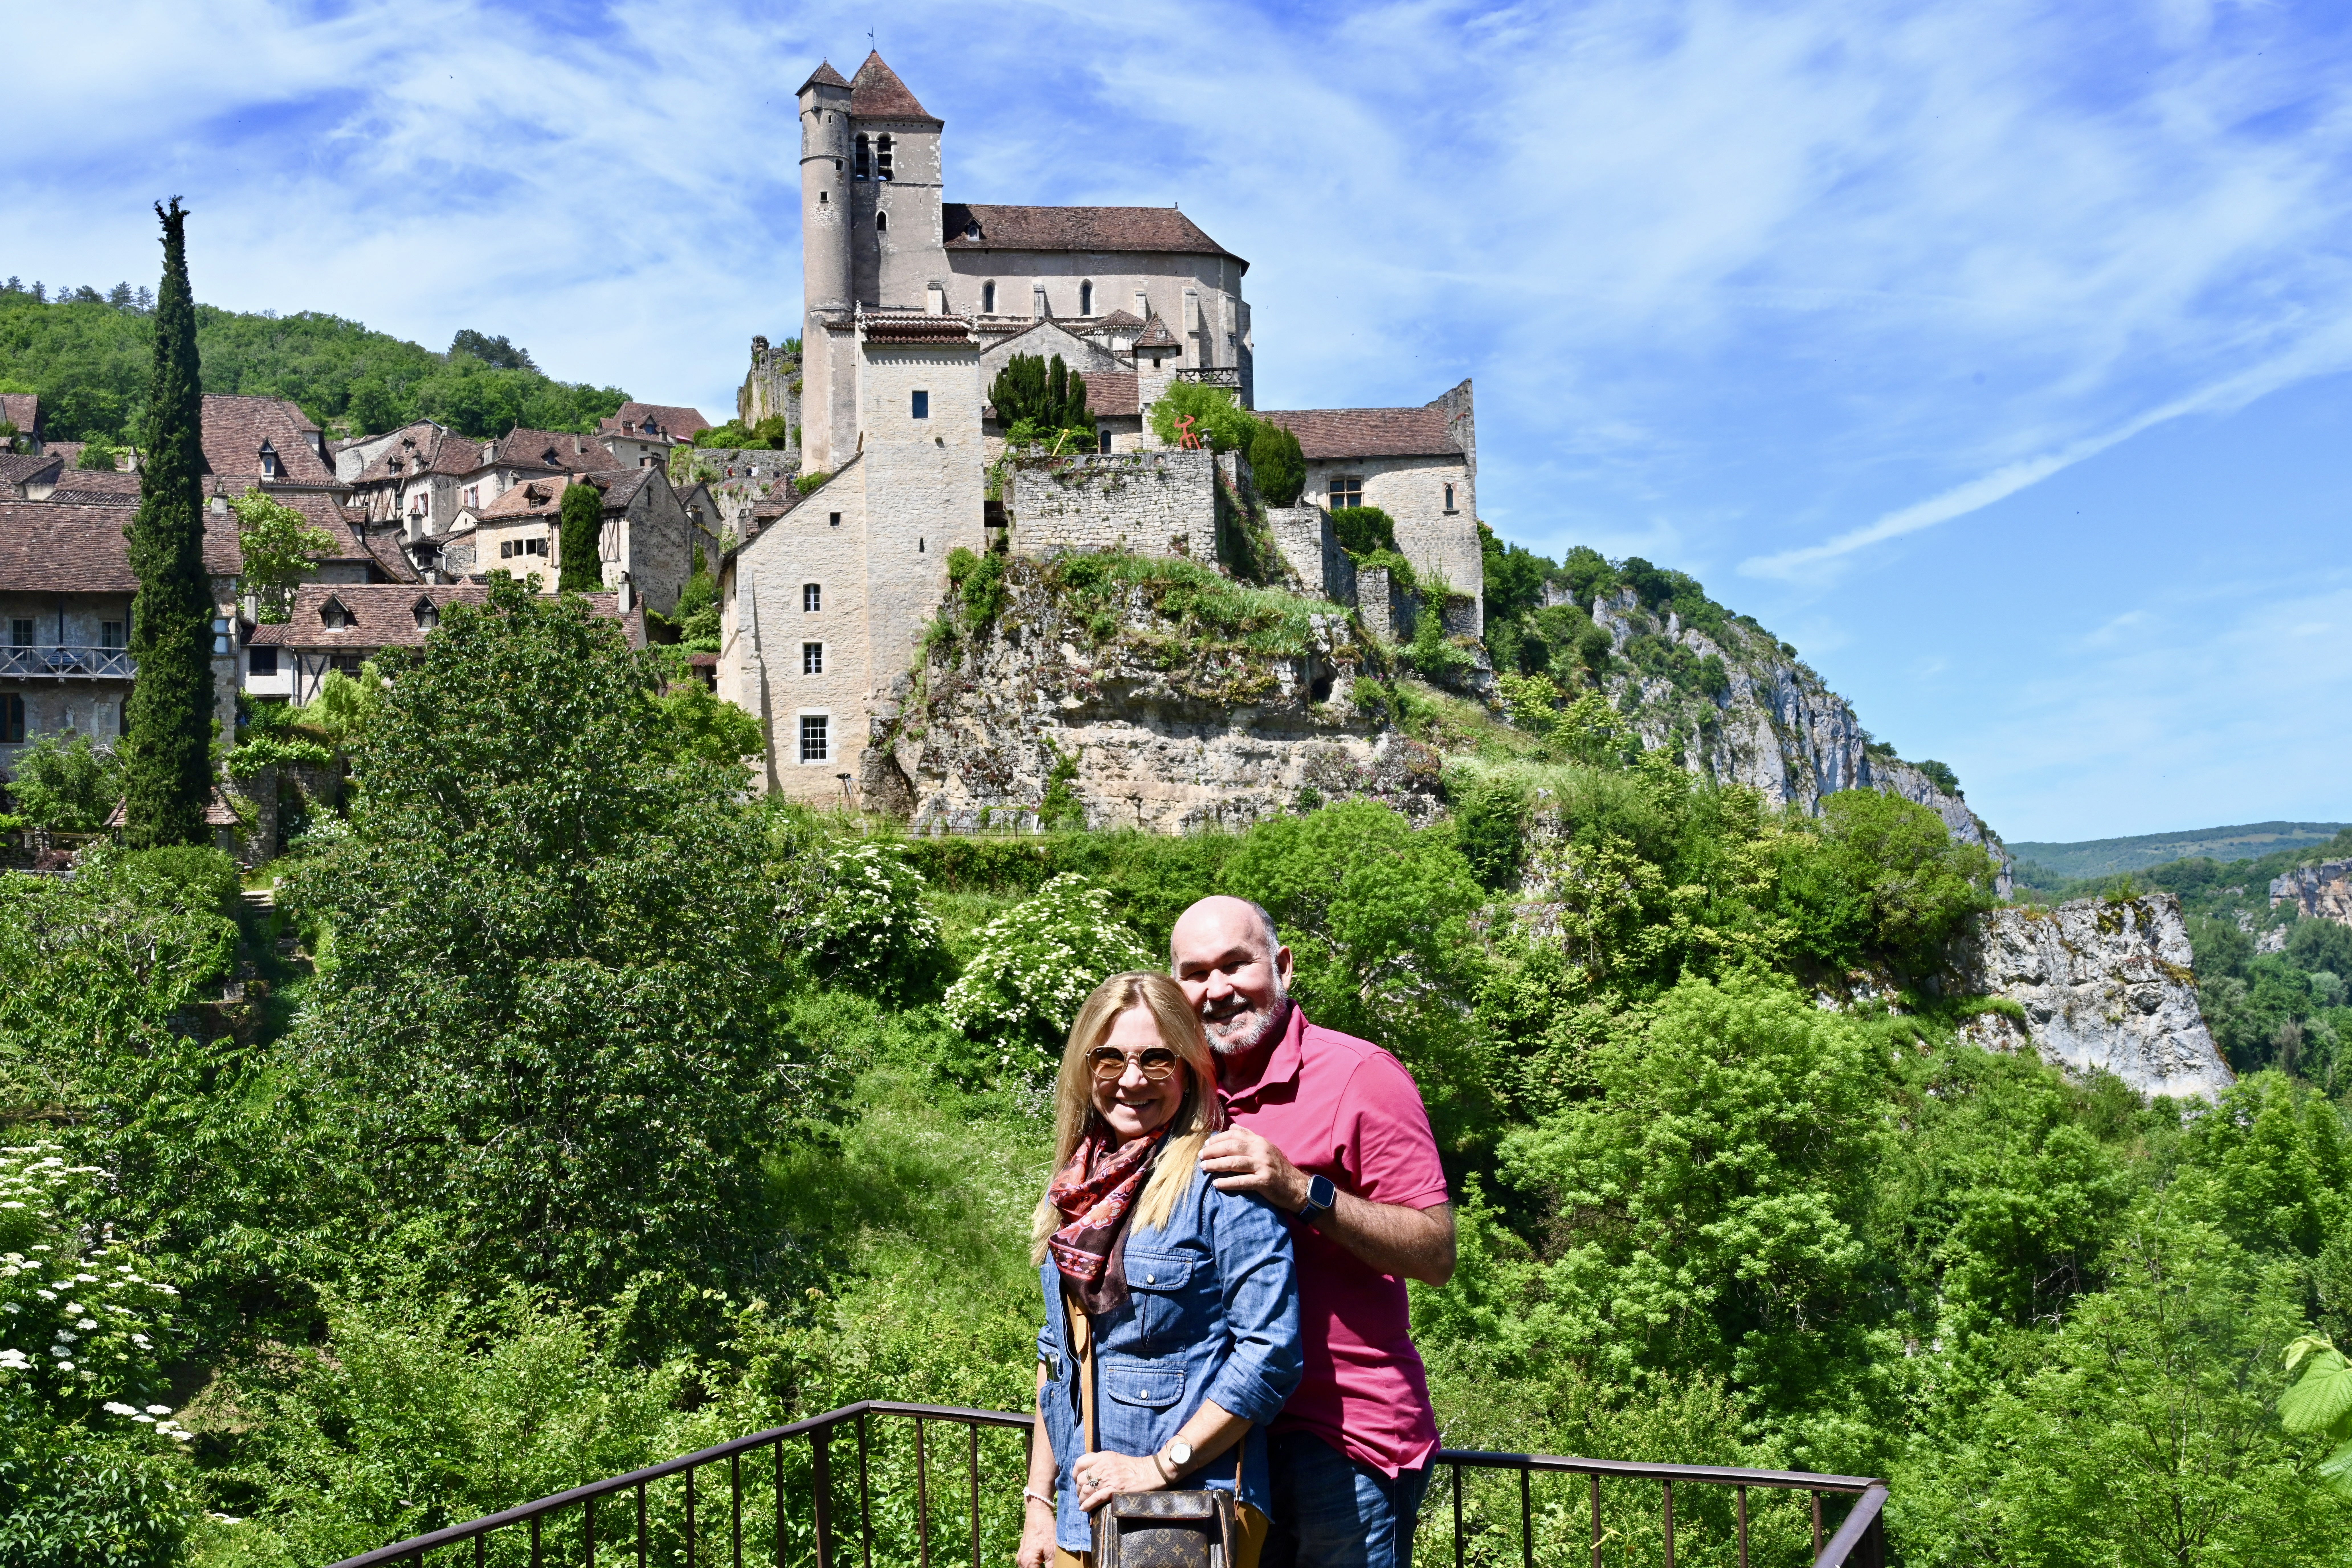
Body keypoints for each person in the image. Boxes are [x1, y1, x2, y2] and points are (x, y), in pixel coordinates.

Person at [1170, 897, 1456, 1568]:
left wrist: (1301, 1190)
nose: (1218, 991)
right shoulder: (1179, 1088)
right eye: (1195, 973)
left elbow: (1436, 1252)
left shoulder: (1361, 1075)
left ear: (1283, 966)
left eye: (1237, 965)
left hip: (1344, 1439)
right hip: (1224, 1438)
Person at [1018, 971, 1303, 1568]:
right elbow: (1059, 1360)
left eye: (1155, 1058)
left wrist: (1157, 1465)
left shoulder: (1222, 1181)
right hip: (1081, 1509)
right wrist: (1039, 1502)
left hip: (1188, 1513)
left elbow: (1271, 1352)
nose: (1130, 1079)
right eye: (1109, 1058)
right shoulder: (1075, 1189)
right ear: (1083, 1066)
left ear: (1188, 1067)